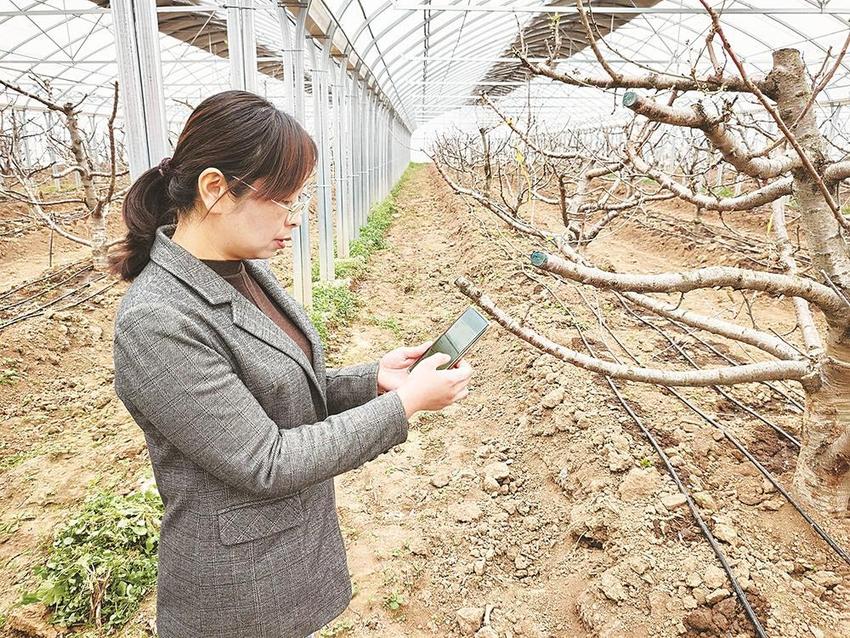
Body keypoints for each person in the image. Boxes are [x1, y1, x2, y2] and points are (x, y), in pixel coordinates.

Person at [108, 90, 473, 638]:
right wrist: (406, 403)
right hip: (238, 591)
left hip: (288, 551)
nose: (295, 219)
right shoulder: (157, 320)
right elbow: (264, 460)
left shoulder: (242, 269)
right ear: (215, 190)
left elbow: (273, 390)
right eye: (284, 200)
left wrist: (372, 380)